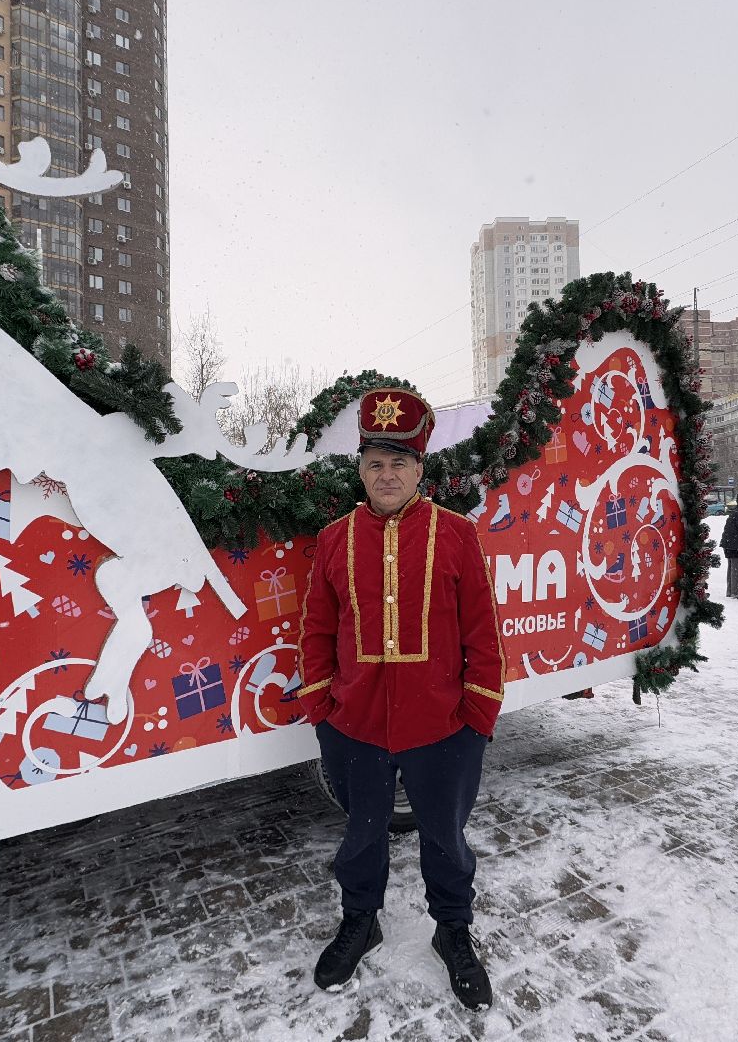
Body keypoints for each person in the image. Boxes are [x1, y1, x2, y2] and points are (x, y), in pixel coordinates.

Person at [298, 387, 505, 1012]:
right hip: (354, 725)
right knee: (361, 838)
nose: (387, 477)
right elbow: (316, 629)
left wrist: (475, 717)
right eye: (375, 465)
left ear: (421, 469)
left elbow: (482, 632)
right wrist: (323, 711)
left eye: (399, 464)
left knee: (447, 837)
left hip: (443, 727)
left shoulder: (458, 535)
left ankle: (452, 930)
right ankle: (361, 920)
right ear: (361, 472)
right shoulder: (334, 539)